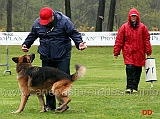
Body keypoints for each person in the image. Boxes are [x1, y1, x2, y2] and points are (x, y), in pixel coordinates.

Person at [21, 7, 87, 111]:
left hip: (62, 55)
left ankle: (63, 103)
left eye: (47, 21)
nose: (45, 23)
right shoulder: (37, 23)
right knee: (46, 82)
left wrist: (79, 43)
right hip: (46, 55)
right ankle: (50, 105)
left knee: (63, 80)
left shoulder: (64, 21)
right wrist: (26, 44)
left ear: (52, 16)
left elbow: (74, 33)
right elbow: (32, 35)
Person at [113, 8, 152, 94]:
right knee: (130, 68)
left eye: (135, 16)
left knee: (138, 69)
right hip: (128, 52)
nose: (133, 18)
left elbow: (146, 40)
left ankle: (135, 87)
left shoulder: (143, 27)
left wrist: (148, 51)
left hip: (139, 52)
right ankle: (129, 87)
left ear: (137, 17)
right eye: (132, 16)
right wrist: (116, 52)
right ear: (129, 17)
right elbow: (119, 40)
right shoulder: (124, 27)